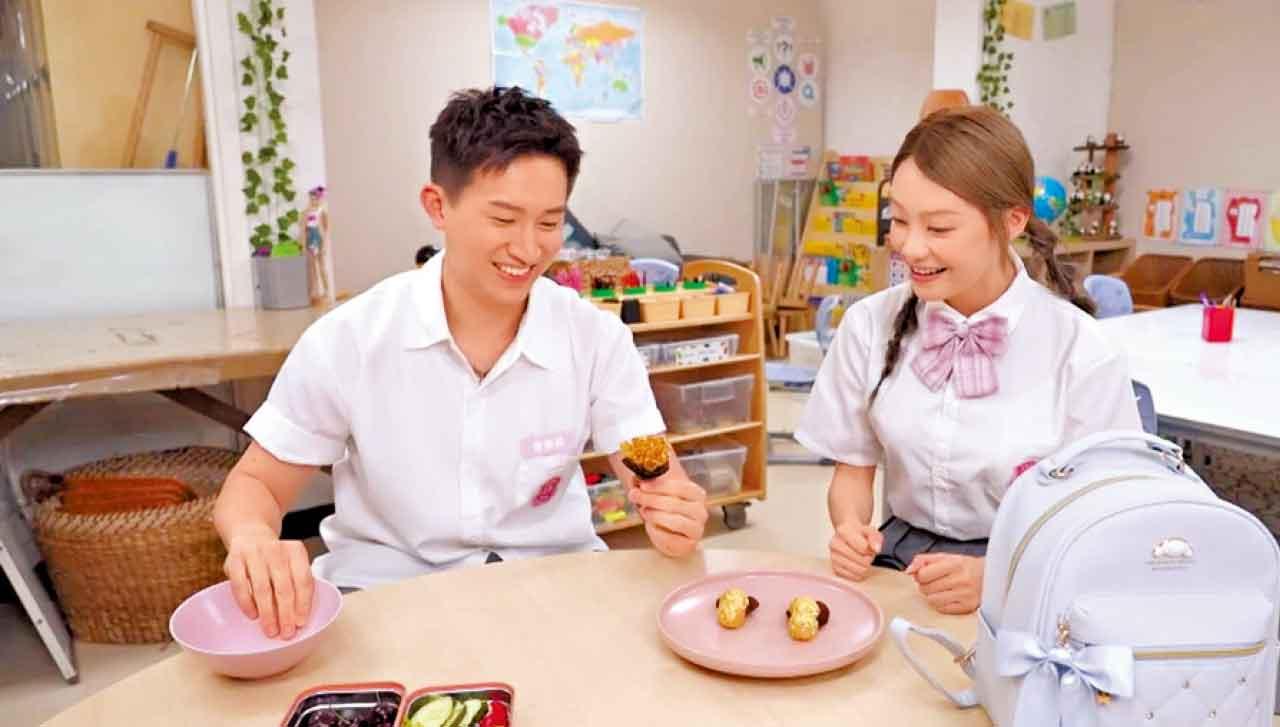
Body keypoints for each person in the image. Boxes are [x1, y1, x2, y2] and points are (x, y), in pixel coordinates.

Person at [215, 87, 709, 639]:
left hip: (552, 584)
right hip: (388, 591)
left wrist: (676, 513)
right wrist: (253, 539)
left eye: (550, 223)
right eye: (503, 219)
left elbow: (654, 471)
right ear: (438, 206)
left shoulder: (595, 339)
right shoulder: (350, 340)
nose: (528, 249)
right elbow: (256, 484)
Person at [796, 106, 1141, 615]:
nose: (911, 248)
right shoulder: (869, 325)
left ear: (1013, 220)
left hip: (1033, 577)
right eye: (899, 221)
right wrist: (850, 528)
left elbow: (1102, 519)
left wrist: (1000, 576)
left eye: (939, 228)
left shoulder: (1081, 349)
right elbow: (853, 467)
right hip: (901, 566)